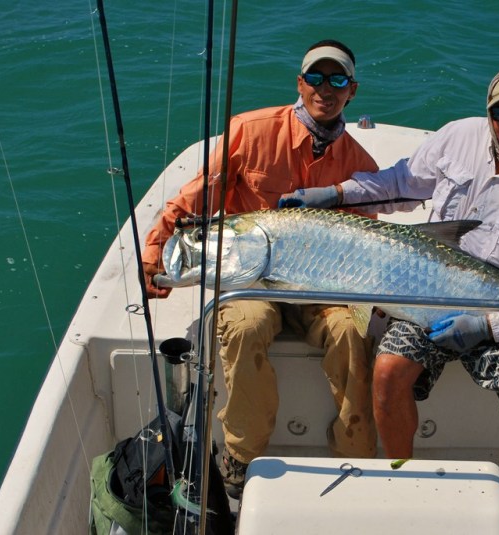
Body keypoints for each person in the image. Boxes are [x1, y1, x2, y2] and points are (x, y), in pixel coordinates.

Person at [280, 64, 499, 533]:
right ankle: (401, 479)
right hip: (428, 295)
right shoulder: (459, 138)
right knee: (389, 370)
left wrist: (488, 325)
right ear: (488, 113)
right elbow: (398, 185)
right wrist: (335, 194)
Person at [141, 39, 380, 497]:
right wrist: (155, 254)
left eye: (336, 80)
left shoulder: (360, 167)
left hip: (322, 290)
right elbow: (193, 199)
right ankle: (242, 455)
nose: (323, 89)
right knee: (248, 326)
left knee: (352, 332)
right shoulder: (249, 132)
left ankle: (355, 456)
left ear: (352, 90)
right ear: (299, 83)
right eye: (314, 77)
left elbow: (365, 244)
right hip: (250, 280)